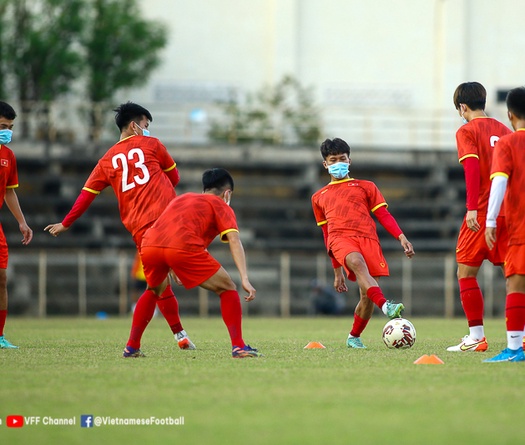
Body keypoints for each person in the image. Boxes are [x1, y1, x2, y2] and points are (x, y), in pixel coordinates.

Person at [44, 102, 195, 352]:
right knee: (207, 278)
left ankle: (171, 337)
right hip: (167, 219)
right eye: (145, 125)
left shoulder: (106, 161)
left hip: (139, 229)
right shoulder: (153, 144)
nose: (147, 130)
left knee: (156, 285)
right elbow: (175, 178)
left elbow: (86, 195)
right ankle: (230, 337)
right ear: (135, 125)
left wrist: (65, 223)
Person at [127, 168, 261, 358]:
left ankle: (131, 347)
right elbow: (234, 240)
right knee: (228, 287)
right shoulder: (221, 204)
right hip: (179, 246)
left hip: (149, 245)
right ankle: (238, 346)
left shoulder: (182, 198)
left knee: (153, 290)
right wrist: (245, 278)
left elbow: (170, 228)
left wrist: (173, 266)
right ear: (227, 193)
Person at [311, 138, 415, 349]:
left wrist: (401, 236)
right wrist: (336, 270)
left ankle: (354, 336)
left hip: (368, 239)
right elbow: (326, 233)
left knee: (366, 298)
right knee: (357, 262)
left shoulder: (366, 186)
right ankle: (386, 306)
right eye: (333, 160)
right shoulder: (318, 197)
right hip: (340, 239)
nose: (338, 163)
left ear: (350, 161)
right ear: (325, 164)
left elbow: (383, 215)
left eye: (342, 159)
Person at [447, 82, 512, 353]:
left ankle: (476, 336)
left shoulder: (467, 130)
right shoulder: (505, 131)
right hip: (509, 212)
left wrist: (472, 207)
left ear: (463, 106)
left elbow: (472, 168)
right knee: (515, 276)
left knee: (466, 271)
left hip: (482, 212)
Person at [484, 86, 525, 363]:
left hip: (521, 226)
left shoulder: (508, 143)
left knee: (516, 284)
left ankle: (513, 348)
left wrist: (489, 220)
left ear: (510, 115)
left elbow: (499, 182)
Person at [0, 101, 33, 349]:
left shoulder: (8, 156)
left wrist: (22, 222)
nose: (7, 131)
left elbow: (9, 192)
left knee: (1, 279)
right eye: (2, 126)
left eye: (10, 127)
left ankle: (0, 336)